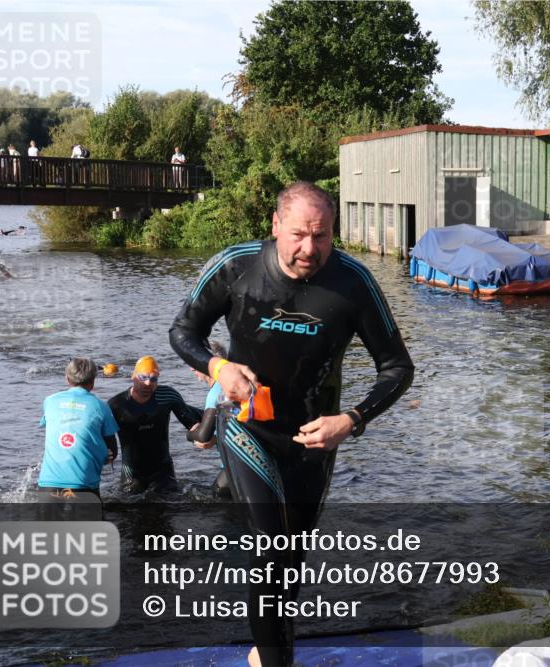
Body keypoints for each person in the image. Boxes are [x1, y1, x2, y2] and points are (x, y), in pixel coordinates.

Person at [169, 181, 414, 667]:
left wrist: (352, 420)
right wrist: (220, 368)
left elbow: (398, 367)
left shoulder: (353, 283)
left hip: (314, 440)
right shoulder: (237, 267)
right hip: (247, 428)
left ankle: (269, 652)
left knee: (290, 563)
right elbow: (184, 332)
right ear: (276, 226)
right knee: (267, 551)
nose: (309, 249)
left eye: (321, 237)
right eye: (299, 234)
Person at [107, 355, 202, 495]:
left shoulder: (168, 396)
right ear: (133, 377)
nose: (148, 383)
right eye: (143, 377)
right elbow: (105, 437)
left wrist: (203, 435)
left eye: (153, 379)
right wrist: (107, 453)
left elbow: (192, 424)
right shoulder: (117, 404)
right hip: (132, 473)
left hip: (163, 470)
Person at [37, 358, 119, 503]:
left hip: (47, 484)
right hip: (84, 485)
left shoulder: (49, 401)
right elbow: (113, 451)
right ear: (93, 382)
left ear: (67, 379)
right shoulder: (101, 406)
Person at [184, 340, 232, 498]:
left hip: (235, 465)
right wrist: (216, 437)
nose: (191, 368)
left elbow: (203, 437)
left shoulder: (216, 391)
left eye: (195, 363)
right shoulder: (232, 383)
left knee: (214, 495)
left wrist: (190, 435)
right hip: (248, 458)